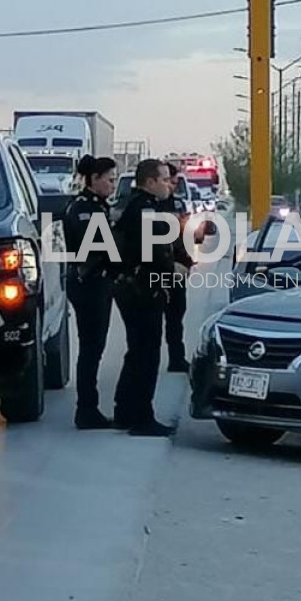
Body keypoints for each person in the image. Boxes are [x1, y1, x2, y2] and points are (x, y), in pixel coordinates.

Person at [112, 158, 177, 437]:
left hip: (132, 287)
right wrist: (173, 271)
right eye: (164, 179)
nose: (169, 184)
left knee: (136, 351)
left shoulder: (136, 205)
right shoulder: (144, 210)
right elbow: (154, 252)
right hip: (142, 289)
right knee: (147, 354)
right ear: (150, 182)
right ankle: (142, 417)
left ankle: (125, 410)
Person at [62, 155, 120, 429]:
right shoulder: (85, 209)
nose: (113, 185)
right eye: (109, 180)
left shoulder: (96, 207)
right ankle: (86, 409)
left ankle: (88, 407)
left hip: (95, 282)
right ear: (94, 180)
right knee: (91, 347)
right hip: (90, 283)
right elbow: (100, 249)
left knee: (94, 346)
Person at [160, 164, 196, 372]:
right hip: (157, 268)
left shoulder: (178, 204)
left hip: (177, 268)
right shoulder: (151, 206)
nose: (171, 186)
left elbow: (185, 236)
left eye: (173, 183)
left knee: (176, 316)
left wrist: (187, 262)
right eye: (169, 182)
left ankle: (176, 358)